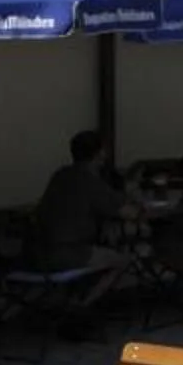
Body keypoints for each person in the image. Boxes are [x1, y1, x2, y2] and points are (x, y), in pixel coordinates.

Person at [34, 128, 138, 307]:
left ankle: (66, 299)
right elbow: (128, 212)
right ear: (99, 154)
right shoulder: (90, 181)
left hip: (38, 252)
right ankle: (82, 305)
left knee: (101, 248)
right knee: (123, 260)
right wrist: (132, 196)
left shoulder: (61, 175)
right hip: (70, 253)